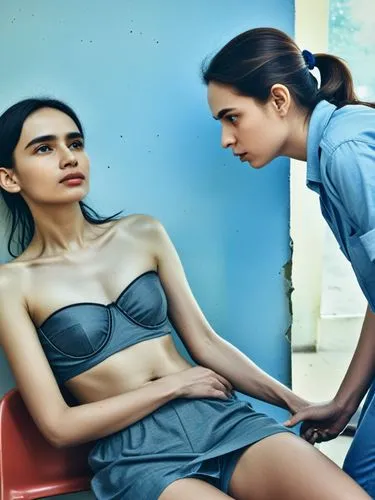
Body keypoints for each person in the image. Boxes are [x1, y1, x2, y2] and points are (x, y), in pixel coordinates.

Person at [0, 98, 369, 500]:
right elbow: (58, 426)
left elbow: (205, 343)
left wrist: (297, 402)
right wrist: (174, 386)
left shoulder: (142, 233)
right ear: (9, 178)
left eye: (75, 143)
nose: (68, 158)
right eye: (44, 148)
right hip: (137, 455)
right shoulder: (12, 285)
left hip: (219, 420)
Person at [202, 26, 375, 497]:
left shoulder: (344, 152)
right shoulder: (334, 151)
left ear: (278, 99)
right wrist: (344, 403)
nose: (224, 138)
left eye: (231, 117)